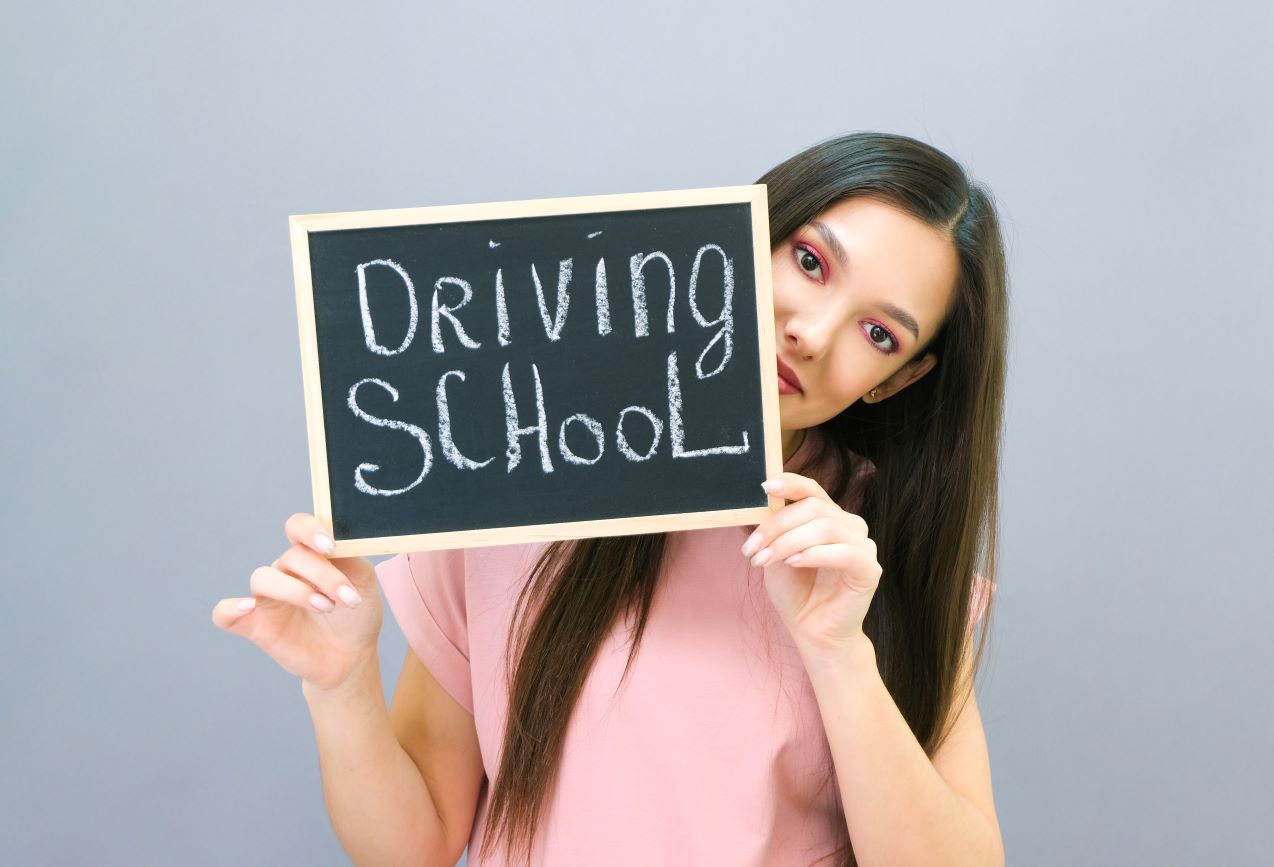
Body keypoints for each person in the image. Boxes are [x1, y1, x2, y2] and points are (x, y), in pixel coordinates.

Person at [213, 130, 1008, 867]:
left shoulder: (872, 558)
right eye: (809, 261)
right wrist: (341, 682)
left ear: (898, 381)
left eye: (880, 335)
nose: (812, 330)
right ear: (743, 232)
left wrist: (841, 652)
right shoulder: (515, 463)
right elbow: (414, 844)